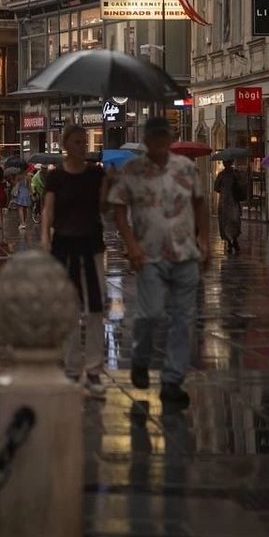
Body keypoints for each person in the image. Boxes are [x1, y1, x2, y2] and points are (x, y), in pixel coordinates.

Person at [109, 116, 209, 410]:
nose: (159, 142)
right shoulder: (133, 170)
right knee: (149, 313)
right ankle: (140, 359)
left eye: (164, 136)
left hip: (185, 253)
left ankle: (172, 380)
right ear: (146, 139)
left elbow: (199, 203)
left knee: (183, 319)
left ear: (169, 138)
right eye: (153, 137)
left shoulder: (186, 168)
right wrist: (131, 245)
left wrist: (204, 240)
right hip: (149, 254)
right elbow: (118, 210)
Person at [41, 124, 108, 399]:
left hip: (91, 244)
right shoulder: (55, 177)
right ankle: (70, 367)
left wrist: (110, 186)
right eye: (78, 142)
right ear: (66, 145)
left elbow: (104, 207)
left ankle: (93, 369)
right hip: (64, 246)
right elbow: (49, 210)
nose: (83, 146)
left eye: (84, 142)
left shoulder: (96, 174)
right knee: (68, 308)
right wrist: (45, 237)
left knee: (95, 307)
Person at [213, 160, 245, 254]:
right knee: (228, 221)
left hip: (230, 201)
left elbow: (216, 187)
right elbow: (216, 187)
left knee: (232, 221)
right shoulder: (223, 174)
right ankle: (230, 241)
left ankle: (233, 240)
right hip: (228, 202)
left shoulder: (232, 174)